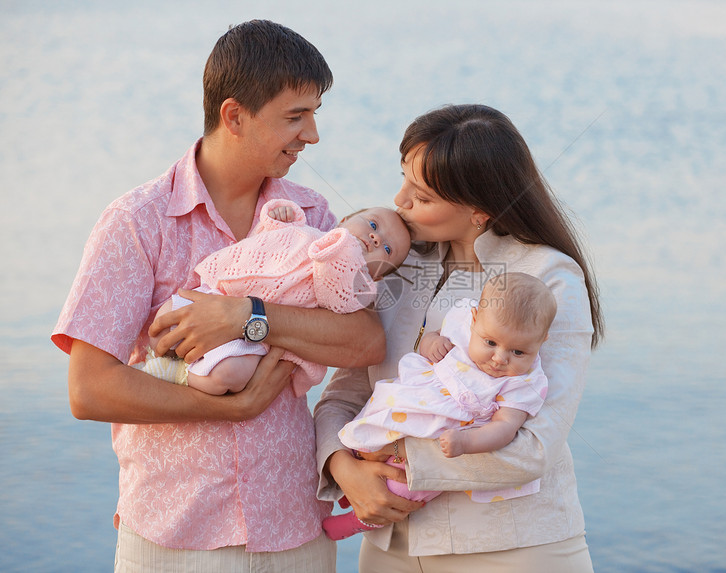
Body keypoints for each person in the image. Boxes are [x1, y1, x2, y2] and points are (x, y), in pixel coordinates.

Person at [51, 20, 383, 572]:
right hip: (173, 533)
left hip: (294, 532)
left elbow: (365, 341)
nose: (313, 135)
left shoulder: (314, 218)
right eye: (295, 117)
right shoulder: (137, 222)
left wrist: (247, 317)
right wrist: (231, 407)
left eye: (314, 115)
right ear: (234, 116)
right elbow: (90, 390)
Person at [314, 103, 604, 572]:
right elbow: (345, 393)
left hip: (511, 550)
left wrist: (395, 454)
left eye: (422, 196)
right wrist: (343, 468)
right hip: (392, 549)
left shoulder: (548, 277)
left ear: (479, 212)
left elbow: (533, 447)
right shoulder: (396, 263)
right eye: (404, 178)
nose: (399, 200)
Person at [323, 272, 557, 541]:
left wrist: (465, 443)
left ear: (542, 341)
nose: (499, 358)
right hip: (410, 402)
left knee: (406, 487)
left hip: (444, 432)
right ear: (474, 318)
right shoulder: (461, 323)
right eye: (490, 343)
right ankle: (353, 490)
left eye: (518, 352)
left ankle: (360, 520)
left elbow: (505, 427)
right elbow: (430, 338)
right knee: (366, 432)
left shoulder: (524, 383)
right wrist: (430, 343)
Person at [136, 199, 410, 396]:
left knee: (230, 376)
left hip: (252, 341)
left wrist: (343, 257)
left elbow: (337, 302)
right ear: (343, 222)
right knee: (166, 322)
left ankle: (178, 376)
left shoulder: (354, 289)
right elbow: (260, 245)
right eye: (372, 224)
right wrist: (279, 221)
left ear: (378, 276)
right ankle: (156, 358)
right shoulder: (307, 231)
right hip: (219, 294)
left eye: (386, 248)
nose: (375, 238)